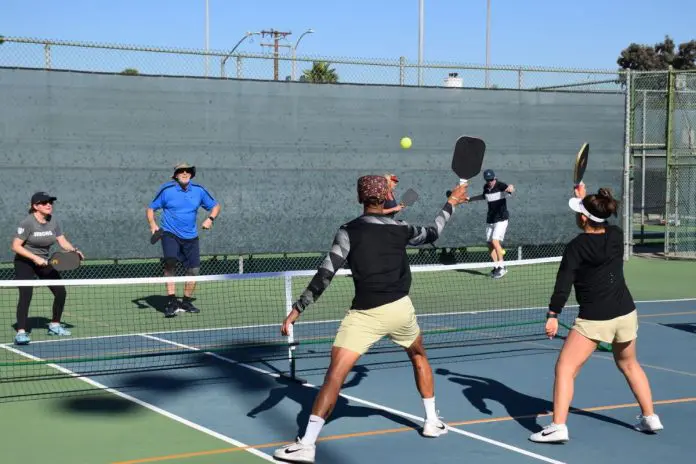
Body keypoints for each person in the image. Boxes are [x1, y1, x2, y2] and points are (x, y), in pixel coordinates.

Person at [273, 175, 470, 463]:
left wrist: (297, 309)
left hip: (364, 315)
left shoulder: (348, 231)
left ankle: (307, 445)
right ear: (385, 198)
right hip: (400, 311)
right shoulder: (401, 229)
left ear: (359, 199)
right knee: (418, 356)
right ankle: (431, 422)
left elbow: (325, 274)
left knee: (334, 377)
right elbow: (433, 232)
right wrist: (451, 202)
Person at [529, 184, 663, 443]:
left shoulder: (576, 247)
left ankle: (558, 426)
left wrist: (553, 314)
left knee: (565, 368)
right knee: (629, 364)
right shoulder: (615, 234)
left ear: (582, 218)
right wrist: (584, 200)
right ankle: (650, 417)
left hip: (594, 319)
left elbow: (563, 283)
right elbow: (598, 218)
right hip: (626, 313)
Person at [146, 163, 220, 318]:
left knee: (194, 270)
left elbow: (215, 206)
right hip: (170, 233)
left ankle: (185, 301)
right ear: (175, 175)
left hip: (191, 237)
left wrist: (210, 219)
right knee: (170, 262)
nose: (185, 173)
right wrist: (153, 224)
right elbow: (151, 208)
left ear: (191, 175)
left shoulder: (199, 191)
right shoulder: (167, 190)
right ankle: (172, 301)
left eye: (188, 171)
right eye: (181, 171)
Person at [11, 192, 84, 345]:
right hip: (25, 262)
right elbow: (15, 246)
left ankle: (55, 325)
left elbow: (62, 241)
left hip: (45, 261)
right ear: (35, 206)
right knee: (26, 294)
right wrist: (35, 258)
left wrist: (74, 250)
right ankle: (21, 332)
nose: (49, 205)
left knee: (60, 292)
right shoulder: (27, 223)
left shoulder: (53, 221)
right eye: (44, 203)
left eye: (50, 202)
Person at [466, 169, 514, 278]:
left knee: (495, 240)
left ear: (494, 178)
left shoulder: (500, 185)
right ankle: (497, 267)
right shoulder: (486, 188)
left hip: (501, 219)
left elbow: (509, 189)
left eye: (491, 179)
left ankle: (502, 267)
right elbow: (484, 197)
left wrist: (510, 187)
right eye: (488, 180)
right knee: (489, 243)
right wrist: (469, 199)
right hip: (491, 219)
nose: (490, 182)